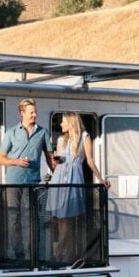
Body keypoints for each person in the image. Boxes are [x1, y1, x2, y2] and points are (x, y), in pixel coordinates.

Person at [46, 112, 110, 266]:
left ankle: (60, 255)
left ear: (71, 122)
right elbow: (57, 163)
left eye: (63, 122)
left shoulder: (85, 137)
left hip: (73, 179)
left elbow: (89, 160)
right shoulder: (61, 139)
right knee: (61, 220)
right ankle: (63, 255)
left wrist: (100, 178)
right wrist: (56, 160)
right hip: (59, 179)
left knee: (67, 220)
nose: (61, 125)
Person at [0, 98, 54, 261]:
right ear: (22, 113)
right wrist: (15, 161)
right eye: (31, 112)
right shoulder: (11, 132)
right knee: (13, 218)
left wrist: (58, 172)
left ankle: (33, 255)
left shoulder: (43, 132)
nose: (35, 115)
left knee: (31, 219)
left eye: (35, 112)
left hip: (33, 183)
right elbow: (0, 159)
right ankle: (18, 254)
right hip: (13, 182)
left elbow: (50, 158)